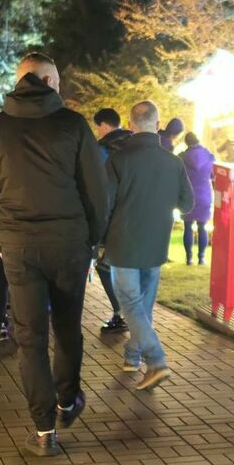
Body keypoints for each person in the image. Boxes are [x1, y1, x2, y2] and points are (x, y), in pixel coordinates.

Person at [0, 52, 108, 457]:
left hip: (19, 244)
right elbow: (96, 192)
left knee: (30, 338)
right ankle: (67, 400)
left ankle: (44, 430)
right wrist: (92, 238)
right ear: (47, 81)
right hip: (69, 242)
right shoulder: (73, 125)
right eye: (58, 81)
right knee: (67, 327)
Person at [103, 100, 194, 391]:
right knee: (143, 306)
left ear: (130, 126)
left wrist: (98, 241)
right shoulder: (173, 162)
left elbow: (104, 204)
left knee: (131, 305)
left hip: (123, 244)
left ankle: (156, 361)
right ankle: (132, 356)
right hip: (156, 245)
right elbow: (188, 203)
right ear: (157, 126)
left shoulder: (117, 160)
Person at [93, 108, 132, 333]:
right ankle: (133, 313)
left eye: (98, 127)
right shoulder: (134, 144)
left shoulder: (101, 149)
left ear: (104, 125)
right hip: (135, 213)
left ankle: (121, 313)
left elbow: (97, 185)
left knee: (104, 263)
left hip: (111, 216)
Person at [178, 132, 214, 265]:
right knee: (202, 227)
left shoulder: (181, 157)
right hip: (204, 194)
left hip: (187, 195)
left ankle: (188, 258)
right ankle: (201, 258)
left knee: (187, 226)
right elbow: (213, 176)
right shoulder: (209, 156)